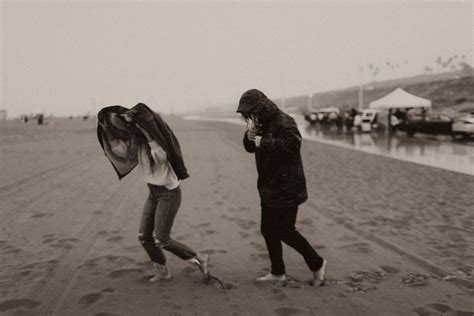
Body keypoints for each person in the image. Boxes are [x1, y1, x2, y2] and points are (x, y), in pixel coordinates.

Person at [97, 103, 209, 282]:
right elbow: (122, 152)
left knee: (163, 239)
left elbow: (161, 157)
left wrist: (146, 130)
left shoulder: (157, 144)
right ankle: (163, 271)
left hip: (169, 194)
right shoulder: (137, 145)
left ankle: (199, 257)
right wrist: (107, 131)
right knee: (144, 237)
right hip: (153, 193)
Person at [236, 89, 327, 286]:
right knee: (268, 230)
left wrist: (264, 142)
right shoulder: (260, 122)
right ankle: (278, 272)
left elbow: (293, 144)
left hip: (288, 185)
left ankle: (317, 263)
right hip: (269, 185)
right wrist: (249, 137)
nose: (250, 118)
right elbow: (251, 148)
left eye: (251, 113)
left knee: (285, 230)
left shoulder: (284, 121)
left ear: (261, 108)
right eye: (247, 115)